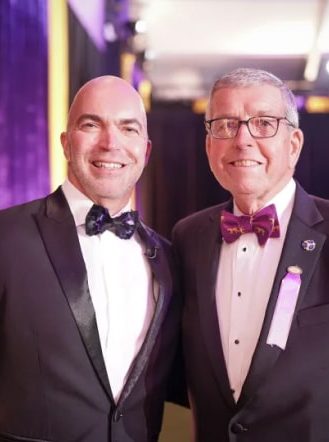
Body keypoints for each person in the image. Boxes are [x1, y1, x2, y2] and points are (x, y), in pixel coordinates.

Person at [0, 76, 182, 442]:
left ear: (144, 152)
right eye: (91, 124)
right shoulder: (7, 237)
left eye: (127, 128)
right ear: (67, 144)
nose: (110, 142)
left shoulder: (171, 259)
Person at [172, 67, 329, 441]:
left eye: (263, 123)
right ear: (209, 145)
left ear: (293, 144)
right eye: (226, 124)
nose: (242, 139)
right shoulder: (186, 238)